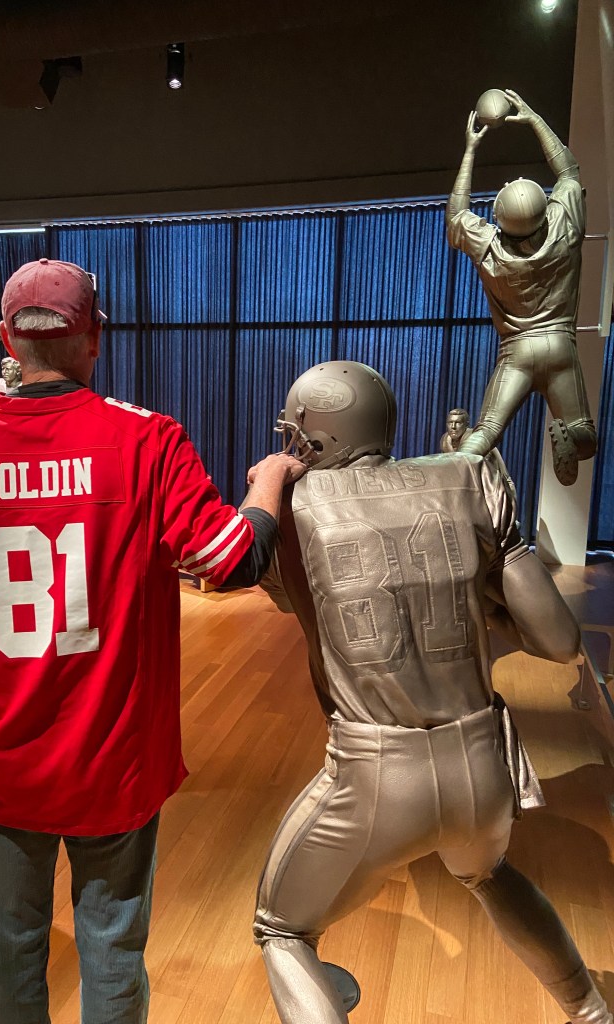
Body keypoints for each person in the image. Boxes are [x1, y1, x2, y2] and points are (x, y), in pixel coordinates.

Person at [0, 258, 305, 1024]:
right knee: (112, 951)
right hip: (116, 758)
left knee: (11, 950)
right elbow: (230, 560)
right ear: (95, 337)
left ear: (7, 337)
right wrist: (271, 478)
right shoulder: (147, 440)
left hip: (3, 761)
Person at [252, 359, 612, 1024]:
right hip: (484, 762)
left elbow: (283, 592)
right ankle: (590, 1011)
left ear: (311, 433)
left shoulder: (290, 505)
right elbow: (560, 641)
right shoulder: (467, 477)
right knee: (487, 872)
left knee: (282, 928)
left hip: (376, 768)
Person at [446, 89, 597, 486]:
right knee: (586, 437)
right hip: (560, 344)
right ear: (544, 209)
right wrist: (534, 120)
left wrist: (470, 150)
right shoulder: (564, 226)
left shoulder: (490, 246)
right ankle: (572, 438)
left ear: (499, 217)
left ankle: (449, 479)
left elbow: (457, 214)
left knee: (485, 432)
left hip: (516, 351)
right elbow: (569, 171)